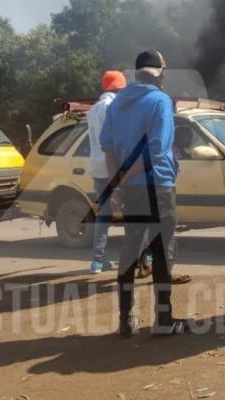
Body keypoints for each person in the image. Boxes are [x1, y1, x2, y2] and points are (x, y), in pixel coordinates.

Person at [100, 50, 193, 337]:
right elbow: (155, 149)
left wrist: (119, 183)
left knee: (130, 250)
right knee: (162, 252)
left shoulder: (116, 105)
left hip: (133, 190)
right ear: (159, 73)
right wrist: (127, 176)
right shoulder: (160, 101)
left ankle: (125, 319)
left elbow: (108, 148)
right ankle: (164, 321)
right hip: (158, 185)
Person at [88, 71, 127, 274]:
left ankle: (97, 261)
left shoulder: (93, 108)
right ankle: (138, 258)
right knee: (133, 213)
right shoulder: (111, 107)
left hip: (97, 168)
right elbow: (111, 142)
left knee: (103, 216)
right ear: (118, 88)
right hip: (113, 168)